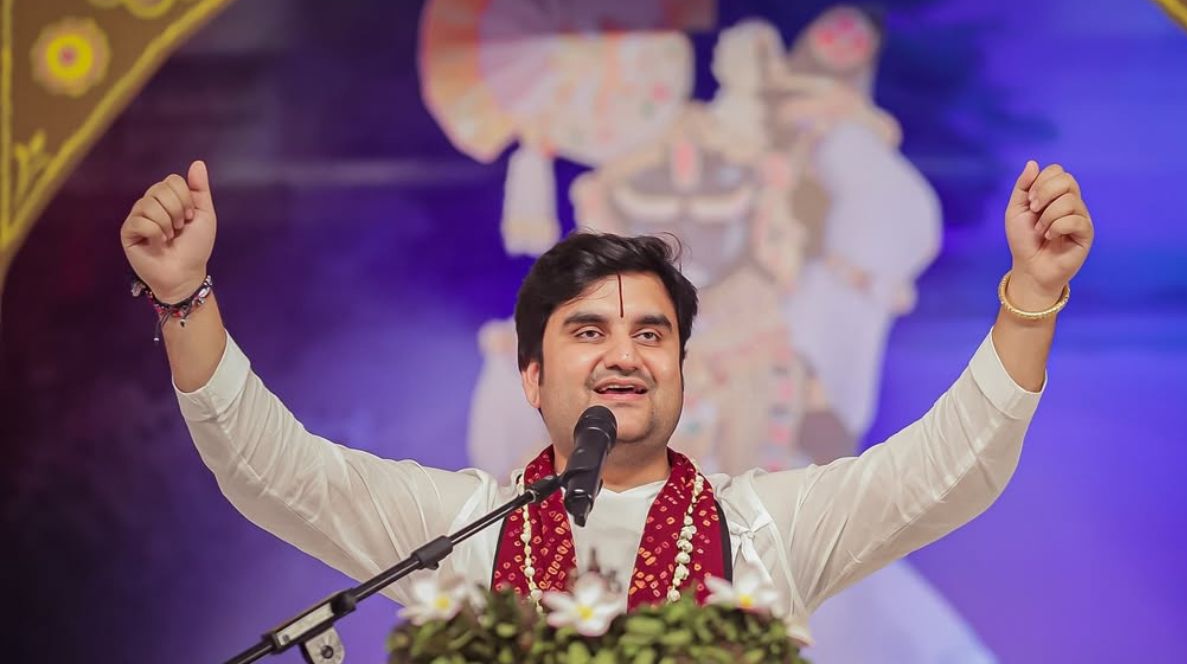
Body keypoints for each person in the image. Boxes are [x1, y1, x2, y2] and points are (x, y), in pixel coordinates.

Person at [119, 158, 1093, 628]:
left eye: (651, 334)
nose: (624, 355)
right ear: (532, 377)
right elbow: (275, 472)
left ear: (683, 373)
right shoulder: (463, 532)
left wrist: (1032, 294)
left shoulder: (764, 529)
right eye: (588, 332)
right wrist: (183, 295)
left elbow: (945, 469)